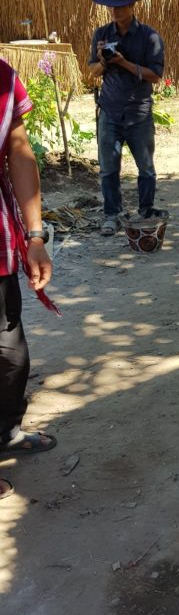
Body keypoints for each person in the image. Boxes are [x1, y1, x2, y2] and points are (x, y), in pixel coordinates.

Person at [0, 59, 57, 499]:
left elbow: (18, 149)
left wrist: (35, 236)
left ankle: (6, 433)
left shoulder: (1, 76)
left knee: (10, 355)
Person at [88, 0, 165, 236]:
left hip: (139, 112)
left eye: (121, 5)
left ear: (132, 5)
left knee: (146, 167)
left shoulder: (149, 36)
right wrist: (103, 60)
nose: (115, 10)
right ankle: (112, 215)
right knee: (108, 168)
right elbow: (92, 73)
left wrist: (123, 63)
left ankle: (145, 212)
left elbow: (155, 75)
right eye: (111, 5)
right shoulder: (101, 35)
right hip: (109, 111)